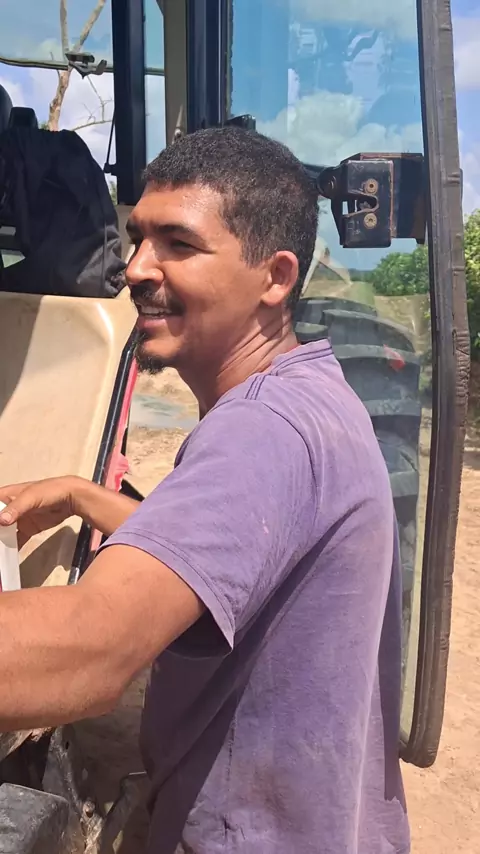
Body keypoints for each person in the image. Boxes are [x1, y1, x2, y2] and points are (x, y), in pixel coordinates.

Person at [0, 127, 410, 854]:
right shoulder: (310, 391)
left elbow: (87, 652)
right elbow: (231, 550)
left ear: (275, 277)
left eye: (178, 245)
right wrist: (80, 494)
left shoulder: (261, 431)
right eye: (137, 238)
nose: (135, 268)